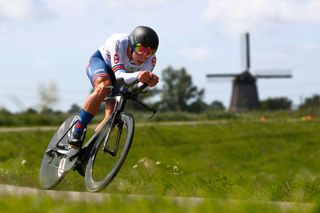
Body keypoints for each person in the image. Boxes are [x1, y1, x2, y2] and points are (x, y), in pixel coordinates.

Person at [68, 25, 160, 149]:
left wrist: (148, 83)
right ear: (132, 45)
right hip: (101, 64)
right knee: (104, 86)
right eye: (140, 49)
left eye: (149, 52)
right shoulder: (119, 42)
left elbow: (137, 87)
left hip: (123, 77)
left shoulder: (151, 60)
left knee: (112, 116)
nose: (144, 56)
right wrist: (139, 75)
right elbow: (118, 76)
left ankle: (88, 152)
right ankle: (78, 129)